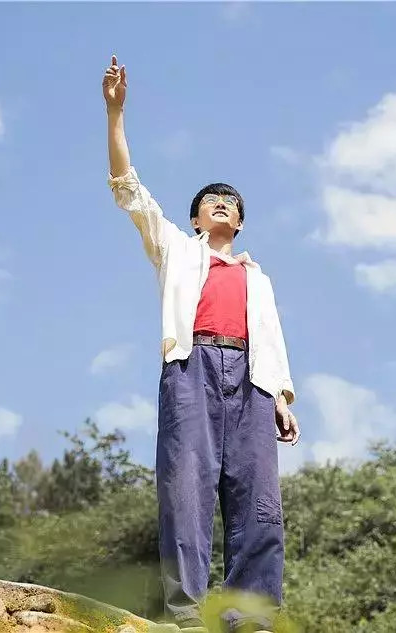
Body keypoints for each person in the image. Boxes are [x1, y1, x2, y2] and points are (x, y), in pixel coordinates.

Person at [102, 54, 300, 632]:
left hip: (253, 382)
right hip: (192, 369)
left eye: (230, 202)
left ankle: (251, 617)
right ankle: (187, 615)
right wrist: (116, 114)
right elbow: (129, 189)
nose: (221, 203)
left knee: (259, 502)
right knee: (186, 490)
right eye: (211, 200)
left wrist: (282, 396)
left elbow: (271, 338)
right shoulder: (176, 250)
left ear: (239, 222)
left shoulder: (258, 277)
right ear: (194, 220)